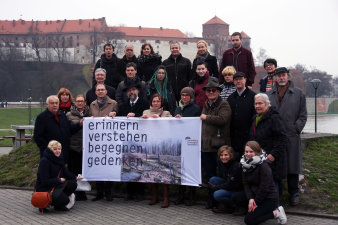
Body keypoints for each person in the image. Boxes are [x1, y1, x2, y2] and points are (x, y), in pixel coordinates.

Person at [267, 67, 307, 206]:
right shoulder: (269, 94)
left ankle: (293, 193)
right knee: (276, 164)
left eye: (283, 75)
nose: (281, 78)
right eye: (278, 76)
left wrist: (296, 128)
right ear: (275, 78)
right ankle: (277, 193)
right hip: (275, 135)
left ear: (288, 76)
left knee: (292, 166)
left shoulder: (298, 93)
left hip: (291, 135)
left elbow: (303, 115)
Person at [249, 93, 288, 208]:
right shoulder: (255, 118)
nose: (257, 106)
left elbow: (282, 138)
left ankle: (277, 211)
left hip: (271, 159)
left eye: (260, 103)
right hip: (259, 158)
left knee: (273, 185)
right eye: (256, 104)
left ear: (267, 104)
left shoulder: (274, 118)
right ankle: (267, 210)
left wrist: (274, 154)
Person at [200, 77, 232, 208]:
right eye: (208, 90)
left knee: (221, 175)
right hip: (207, 146)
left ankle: (221, 201)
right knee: (209, 174)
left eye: (213, 90)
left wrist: (207, 117)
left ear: (218, 91)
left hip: (219, 147)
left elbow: (223, 119)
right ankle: (211, 200)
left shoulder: (224, 104)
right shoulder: (206, 104)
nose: (211, 92)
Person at [241, 141, 287, 225]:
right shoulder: (244, 164)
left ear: (257, 152)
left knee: (249, 220)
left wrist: (256, 202)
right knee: (238, 198)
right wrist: (250, 199)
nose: (248, 154)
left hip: (268, 198)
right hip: (255, 195)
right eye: (246, 151)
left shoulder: (263, 166)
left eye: (251, 152)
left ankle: (277, 212)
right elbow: (245, 184)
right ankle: (259, 212)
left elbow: (264, 187)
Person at [35, 140, 83, 213]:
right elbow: (44, 181)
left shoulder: (59, 159)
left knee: (73, 184)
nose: (58, 151)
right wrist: (58, 180)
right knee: (65, 200)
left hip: (55, 185)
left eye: (59, 149)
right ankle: (45, 203)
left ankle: (58, 203)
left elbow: (66, 172)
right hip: (45, 188)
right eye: (55, 149)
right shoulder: (44, 161)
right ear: (50, 150)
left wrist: (75, 177)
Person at [90, 83, 118, 201]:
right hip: (96, 141)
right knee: (98, 166)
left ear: (106, 91)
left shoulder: (114, 103)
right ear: (96, 92)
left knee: (108, 166)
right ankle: (99, 193)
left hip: (110, 141)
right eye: (98, 90)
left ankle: (108, 193)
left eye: (102, 90)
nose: (100, 92)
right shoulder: (92, 104)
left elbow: (119, 121)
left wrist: (114, 115)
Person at [142, 94, 171, 208]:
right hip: (150, 146)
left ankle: (166, 197)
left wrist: (160, 119)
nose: (155, 103)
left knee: (163, 173)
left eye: (158, 101)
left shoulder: (166, 113)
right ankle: (154, 196)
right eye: (154, 101)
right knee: (152, 172)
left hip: (163, 147)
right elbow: (140, 127)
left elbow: (170, 125)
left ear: (161, 102)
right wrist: (142, 119)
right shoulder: (146, 112)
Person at [174, 87, 201, 206]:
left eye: (186, 95)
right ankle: (181, 195)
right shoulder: (177, 108)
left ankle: (192, 195)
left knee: (191, 168)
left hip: (191, 143)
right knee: (179, 169)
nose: (184, 97)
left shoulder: (196, 109)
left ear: (191, 97)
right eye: (182, 95)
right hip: (179, 143)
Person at [34, 95, 79, 163]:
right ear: (47, 105)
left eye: (56, 103)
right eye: (52, 103)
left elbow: (68, 131)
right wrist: (50, 149)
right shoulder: (41, 118)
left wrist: (80, 124)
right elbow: (38, 137)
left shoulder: (62, 116)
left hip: (62, 154)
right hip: (49, 156)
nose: (55, 105)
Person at [66, 94, 90, 201]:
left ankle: (82, 192)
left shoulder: (90, 114)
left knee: (83, 172)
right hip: (74, 147)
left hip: (86, 148)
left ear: (85, 102)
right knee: (74, 171)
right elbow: (68, 130)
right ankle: (74, 191)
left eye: (82, 101)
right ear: (75, 102)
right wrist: (78, 125)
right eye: (78, 101)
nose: (80, 103)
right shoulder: (69, 115)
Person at [227, 72, 256, 158]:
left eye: (240, 79)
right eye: (236, 79)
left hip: (248, 135)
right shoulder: (231, 98)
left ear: (245, 80)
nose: (238, 81)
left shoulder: (253, 96)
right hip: (234, 137)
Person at [207, 145, 243, 214]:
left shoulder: (236, 166)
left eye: (226, 155)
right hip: (230, 184)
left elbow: (231, 185)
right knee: (213, 180)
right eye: (221, 155)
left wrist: (216, 187)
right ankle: (223, 204)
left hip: (237, 190)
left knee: (217, 194)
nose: (223, 157)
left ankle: (236, 205)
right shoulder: (223, 163)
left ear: (231, 155)